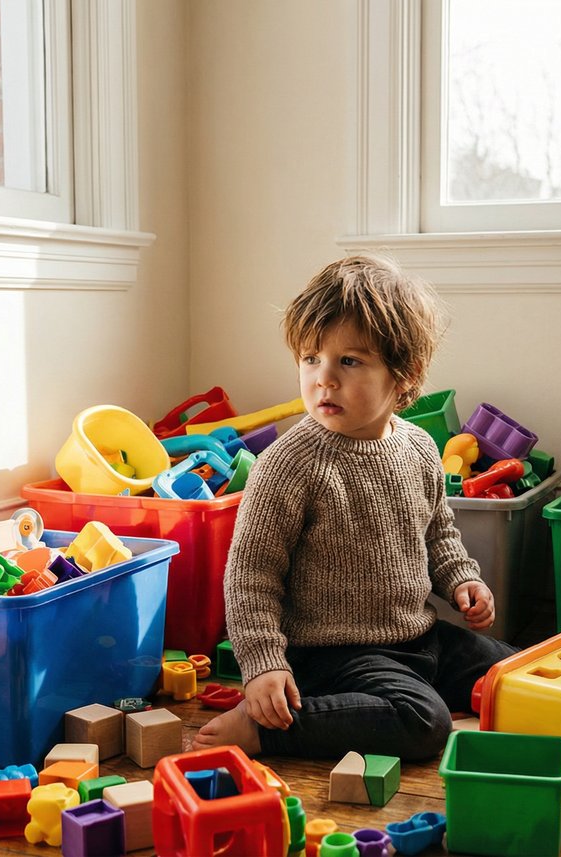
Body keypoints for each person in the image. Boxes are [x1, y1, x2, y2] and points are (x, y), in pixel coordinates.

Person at [196, 254, 513, 760]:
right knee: (422, 723)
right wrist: (262, 664)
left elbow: (437, 532)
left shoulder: (418, 446)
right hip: (329, 654)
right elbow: (250, 574)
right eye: (310, 359)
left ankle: (387, 704)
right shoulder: (288, 463)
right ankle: (271, 730)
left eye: (349, 361)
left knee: (516, 674)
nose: (324, 378)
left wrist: (461, 581)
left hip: (419, 635)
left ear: (403, 377)